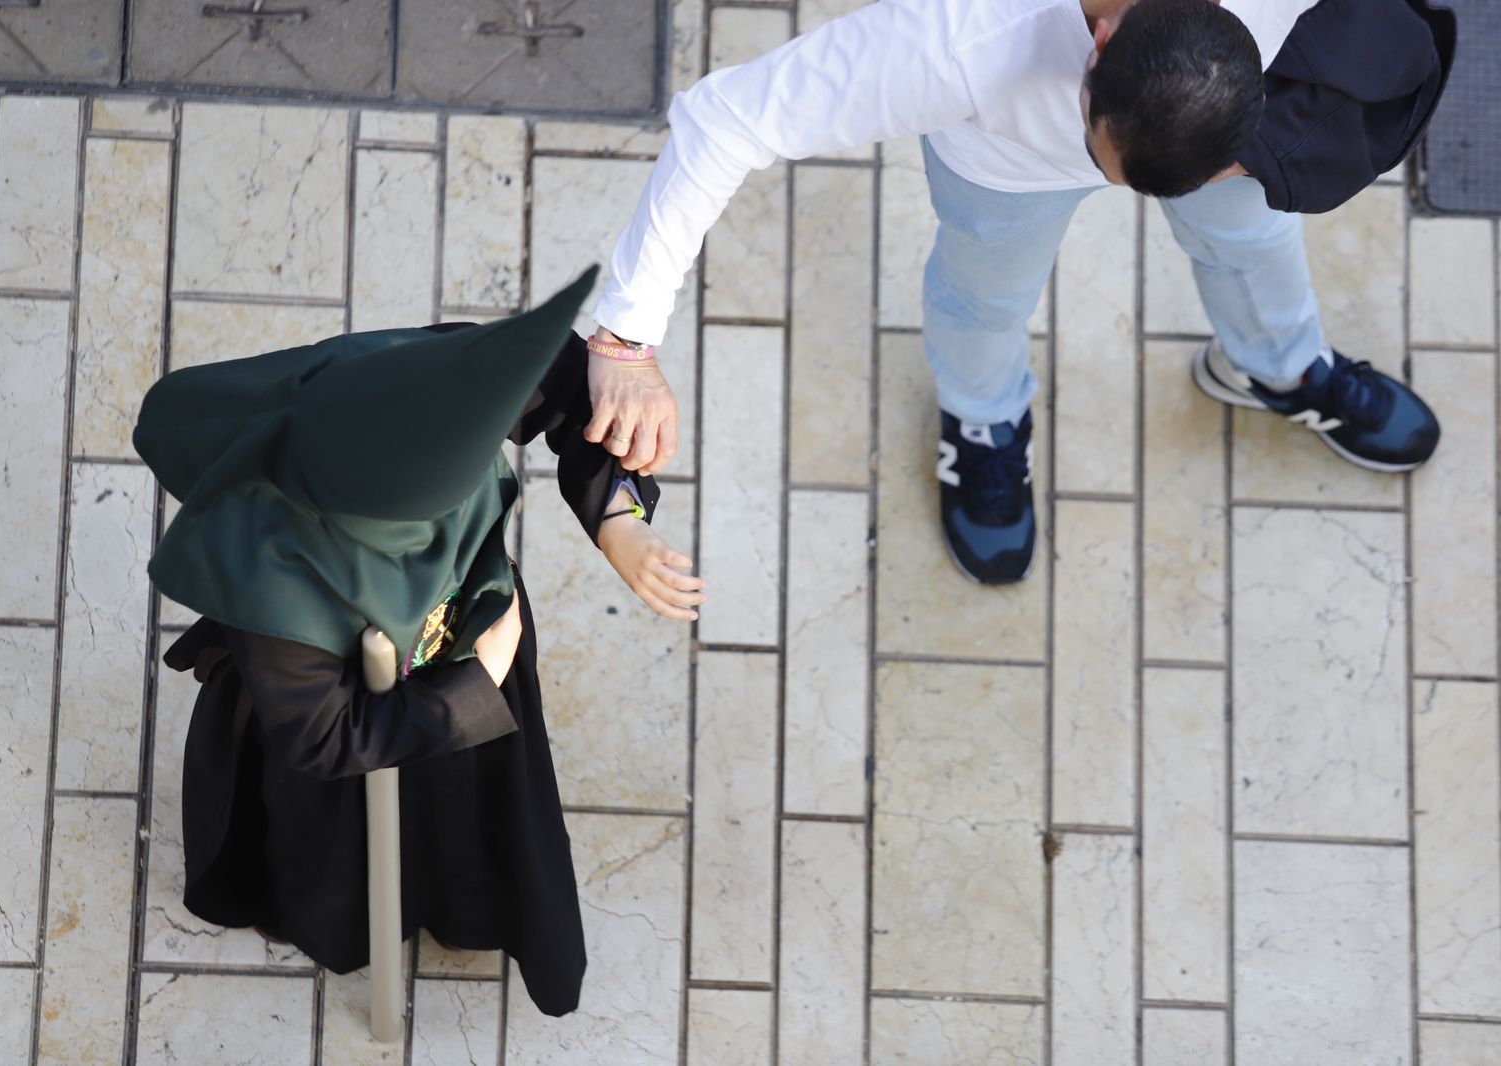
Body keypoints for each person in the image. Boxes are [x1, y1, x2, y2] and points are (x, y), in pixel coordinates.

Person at [581, 0, 1442, 584]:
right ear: (1098, 45)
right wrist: (625, 339)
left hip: (1224, 129)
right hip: (1005, 165)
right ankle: (983, 417)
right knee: (985, 296)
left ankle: (1279, 368)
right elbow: (726, 120)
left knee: (1254, 236)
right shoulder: (956, 42)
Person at [132, 270, 704, 1017]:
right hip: (356, 723)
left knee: (472, 816)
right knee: (339, 851)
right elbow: (322, 736)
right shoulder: (271, 570)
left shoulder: (429, 380)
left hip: (471, 643)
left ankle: (471, 908)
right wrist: (476, 684)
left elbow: (564, 379)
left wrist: (615, 518)